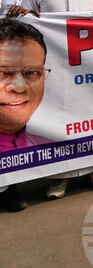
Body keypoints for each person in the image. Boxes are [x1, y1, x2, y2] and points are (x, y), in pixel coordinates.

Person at [8, 0, 93, 198]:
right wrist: (21, 13)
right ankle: (58, 177)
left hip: (90, 65)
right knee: (57, 119)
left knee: (89, 118)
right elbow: (28, 21)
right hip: (53, 66)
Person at [0, 20, 52, 211]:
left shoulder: (45, 138)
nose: (20, 87)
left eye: (32, 73)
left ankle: (8, 191)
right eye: (3, 73)